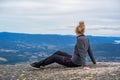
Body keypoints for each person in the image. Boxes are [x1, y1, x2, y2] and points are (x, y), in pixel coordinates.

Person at [30, 21, 96, 70]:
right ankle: (42, 63)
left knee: (55, 57)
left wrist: (84, 66)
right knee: (58, 52)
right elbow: (90, 51)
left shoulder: (79, 39)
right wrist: (94, 62)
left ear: (76, 31)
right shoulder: (86, 38)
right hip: (76, 59)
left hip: (74, 62)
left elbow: (82, 52)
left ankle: (39, 64)